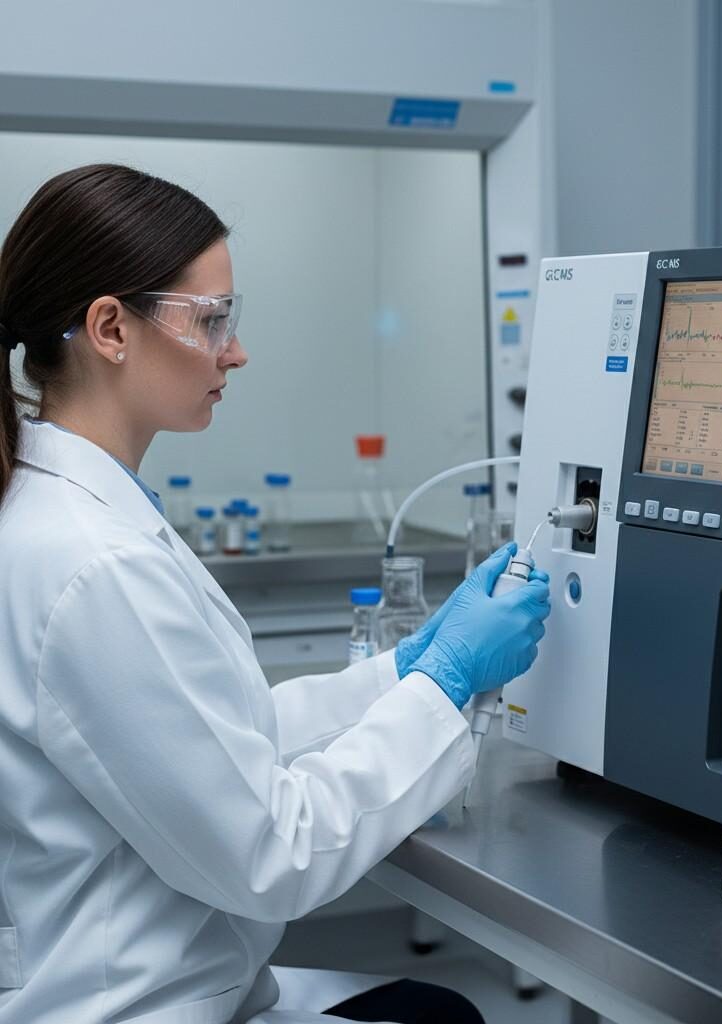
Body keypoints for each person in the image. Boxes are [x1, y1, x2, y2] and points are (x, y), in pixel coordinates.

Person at [0, 164, 551, 1024]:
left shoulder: (60, 510)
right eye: (211, 320)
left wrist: (404, 669)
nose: (235, 350)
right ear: (110, 327)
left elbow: (219, 740)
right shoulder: (92, 563)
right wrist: (445, 684)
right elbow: (273, 853)